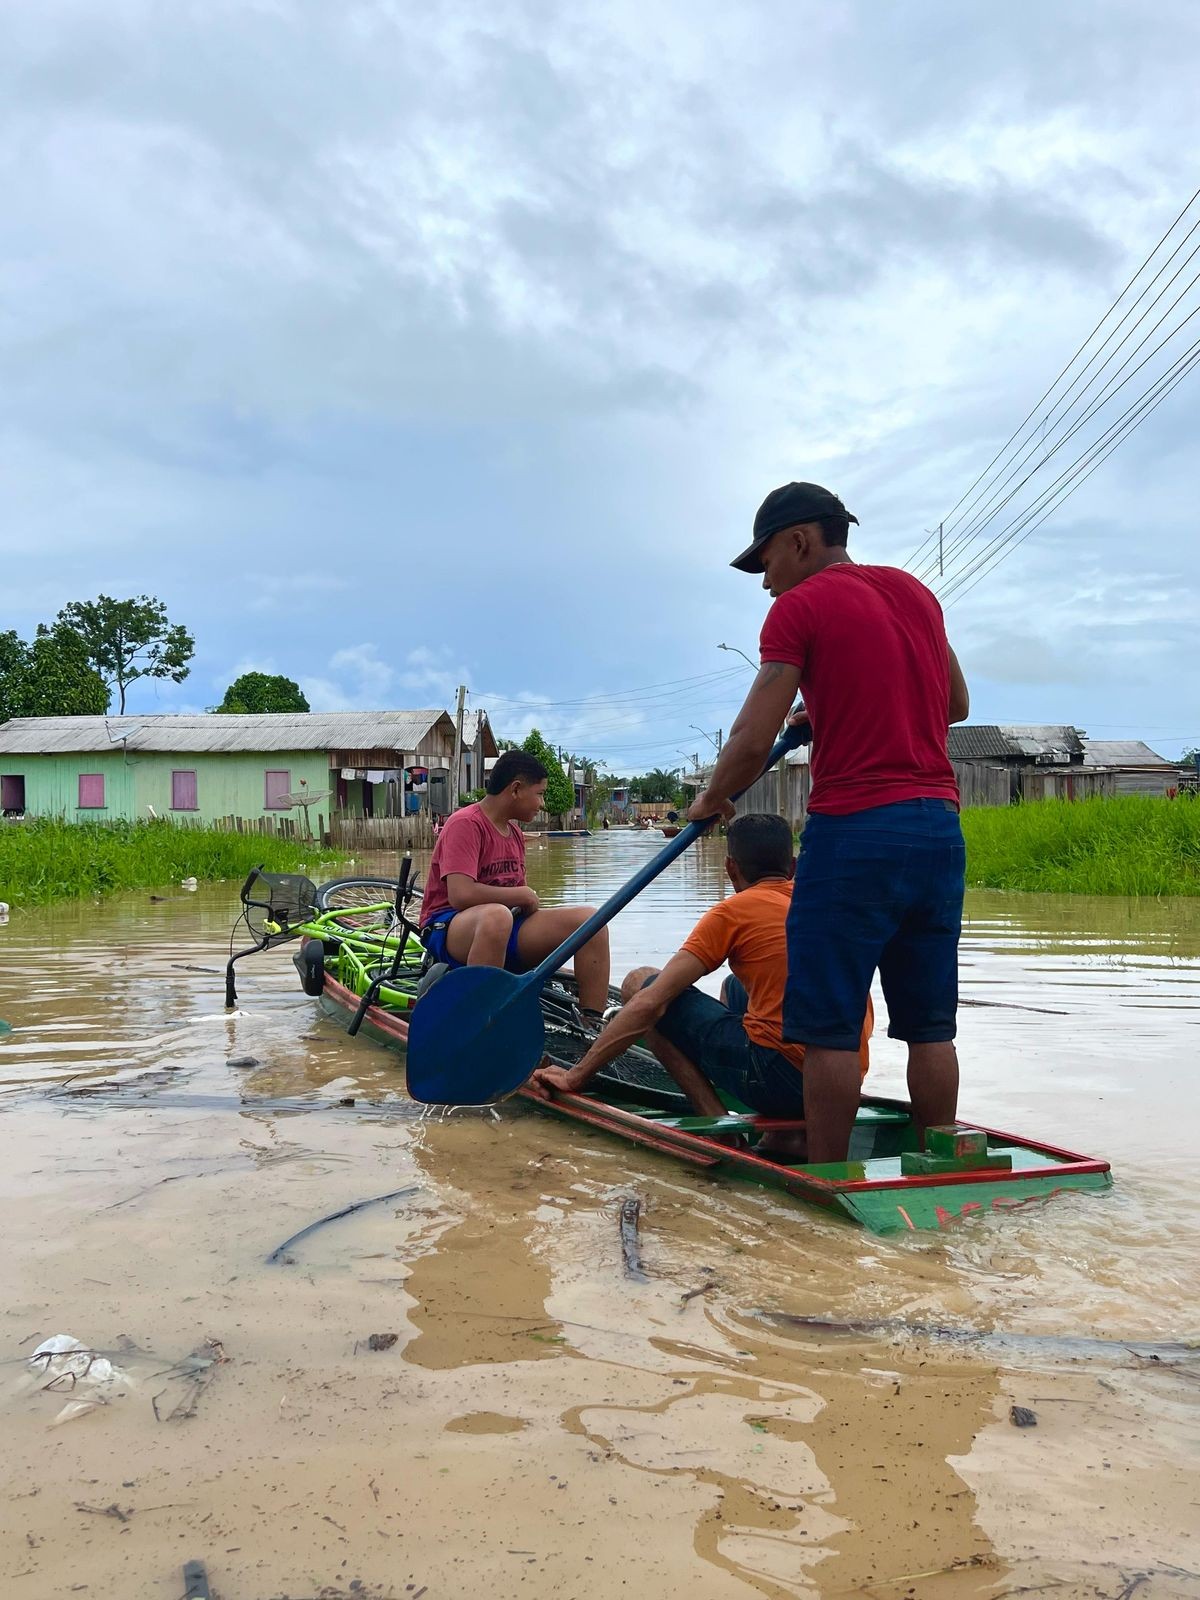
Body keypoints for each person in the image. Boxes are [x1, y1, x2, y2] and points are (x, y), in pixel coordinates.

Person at [685, 481, 970, 1164]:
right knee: (931, 1026)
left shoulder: (800, 607)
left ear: (800, 541)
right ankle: (938, 1161)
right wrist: (830, 709)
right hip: (938, 830)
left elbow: (753, 737)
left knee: (829, 1028)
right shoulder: (915, 595)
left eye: (766, 566)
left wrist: (711, 799)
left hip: (856, 833)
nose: (766, 586)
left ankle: (827, 1176)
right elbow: (954, 703)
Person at [529, 812, 871, 1156]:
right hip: (842, 1080)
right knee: (735, 985)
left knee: (639, 985)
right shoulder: (822, 904)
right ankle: (782, 1133)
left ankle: (720, 1127)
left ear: (730, 868)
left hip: (784, 1080)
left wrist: (576, 1077)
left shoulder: (732, 912)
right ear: (793, 867)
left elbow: (650, 1003)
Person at [419, 751, 611, 1019]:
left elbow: (520, 903)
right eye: (540, 793)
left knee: (592, 921)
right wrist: (521, 894)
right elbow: (460, 895)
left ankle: (591, 1025)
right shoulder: (466, 823)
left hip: (505, 924)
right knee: (496, 916)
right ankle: (480, 1021)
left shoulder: (515, 834)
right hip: (449, 926)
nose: (542, 803)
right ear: (516, 790)